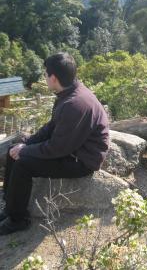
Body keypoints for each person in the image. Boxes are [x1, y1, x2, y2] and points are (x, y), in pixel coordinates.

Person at [0, 52, 109, 235]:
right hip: (72, 147)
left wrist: (26, 151)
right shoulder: (68, 92)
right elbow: (52, 127)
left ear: (53, 78)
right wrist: (27, 142)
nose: (44, 77)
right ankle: (9, 207)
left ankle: (18, 220)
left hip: (82, 160)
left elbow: (57, 149)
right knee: (15, 149)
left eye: (45, 74)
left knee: (23, 164)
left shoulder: (75, 104)